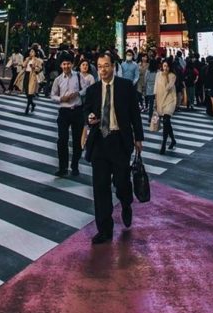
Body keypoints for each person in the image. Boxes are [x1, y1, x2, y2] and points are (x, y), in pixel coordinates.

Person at [83, 51, 144, 244]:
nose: (103, 70)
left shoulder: (125, 87)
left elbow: (135, 112)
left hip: (119, 141)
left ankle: (126, 203)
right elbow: (86, 110)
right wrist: (89, 118)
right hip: (100, 141)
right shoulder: (93, 90)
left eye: (106, 65)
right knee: (100, 187)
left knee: (122, 183)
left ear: (113, 66)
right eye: (100, 66)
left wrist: (138, 138)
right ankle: (104, 229)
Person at [51, 53, 89, 178]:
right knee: (62, 140)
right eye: (64, 64)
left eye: (68, 63)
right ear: (61, 65)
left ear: (72, 64)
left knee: (77, 141)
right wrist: (62, 98)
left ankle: (75, 165)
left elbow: (86, 88)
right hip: (64, 111)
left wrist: (77, 94)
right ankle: (63, 167)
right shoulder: (58, 79)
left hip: (77, 110)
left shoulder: (78, 76)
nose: (66, 66)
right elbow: (52, 95)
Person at [154, 57, 178, 154]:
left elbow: (168, 87)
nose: (166, 68)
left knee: (166, 120)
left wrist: (166, 76)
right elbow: (156, 88)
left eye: (167, 66)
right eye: (164, 66)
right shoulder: (158, 74)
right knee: (167, 123)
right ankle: (173, 140)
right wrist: (155, 102)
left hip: (170, 100)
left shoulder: (172, 75)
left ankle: (163, 144)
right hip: (160, 100)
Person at [19, 48, 43, 114]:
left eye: (32, 51)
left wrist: (34, 67)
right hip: (26, 75)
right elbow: (23, 65)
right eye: (30, 51)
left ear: (35, 53)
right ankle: (32, 104)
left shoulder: (37, 60)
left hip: (32, 76)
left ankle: (27, 107)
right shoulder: (27, 58)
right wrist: (27, 60)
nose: (31, 53)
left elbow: (39, 68)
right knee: (26, 92)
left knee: (30, 93)